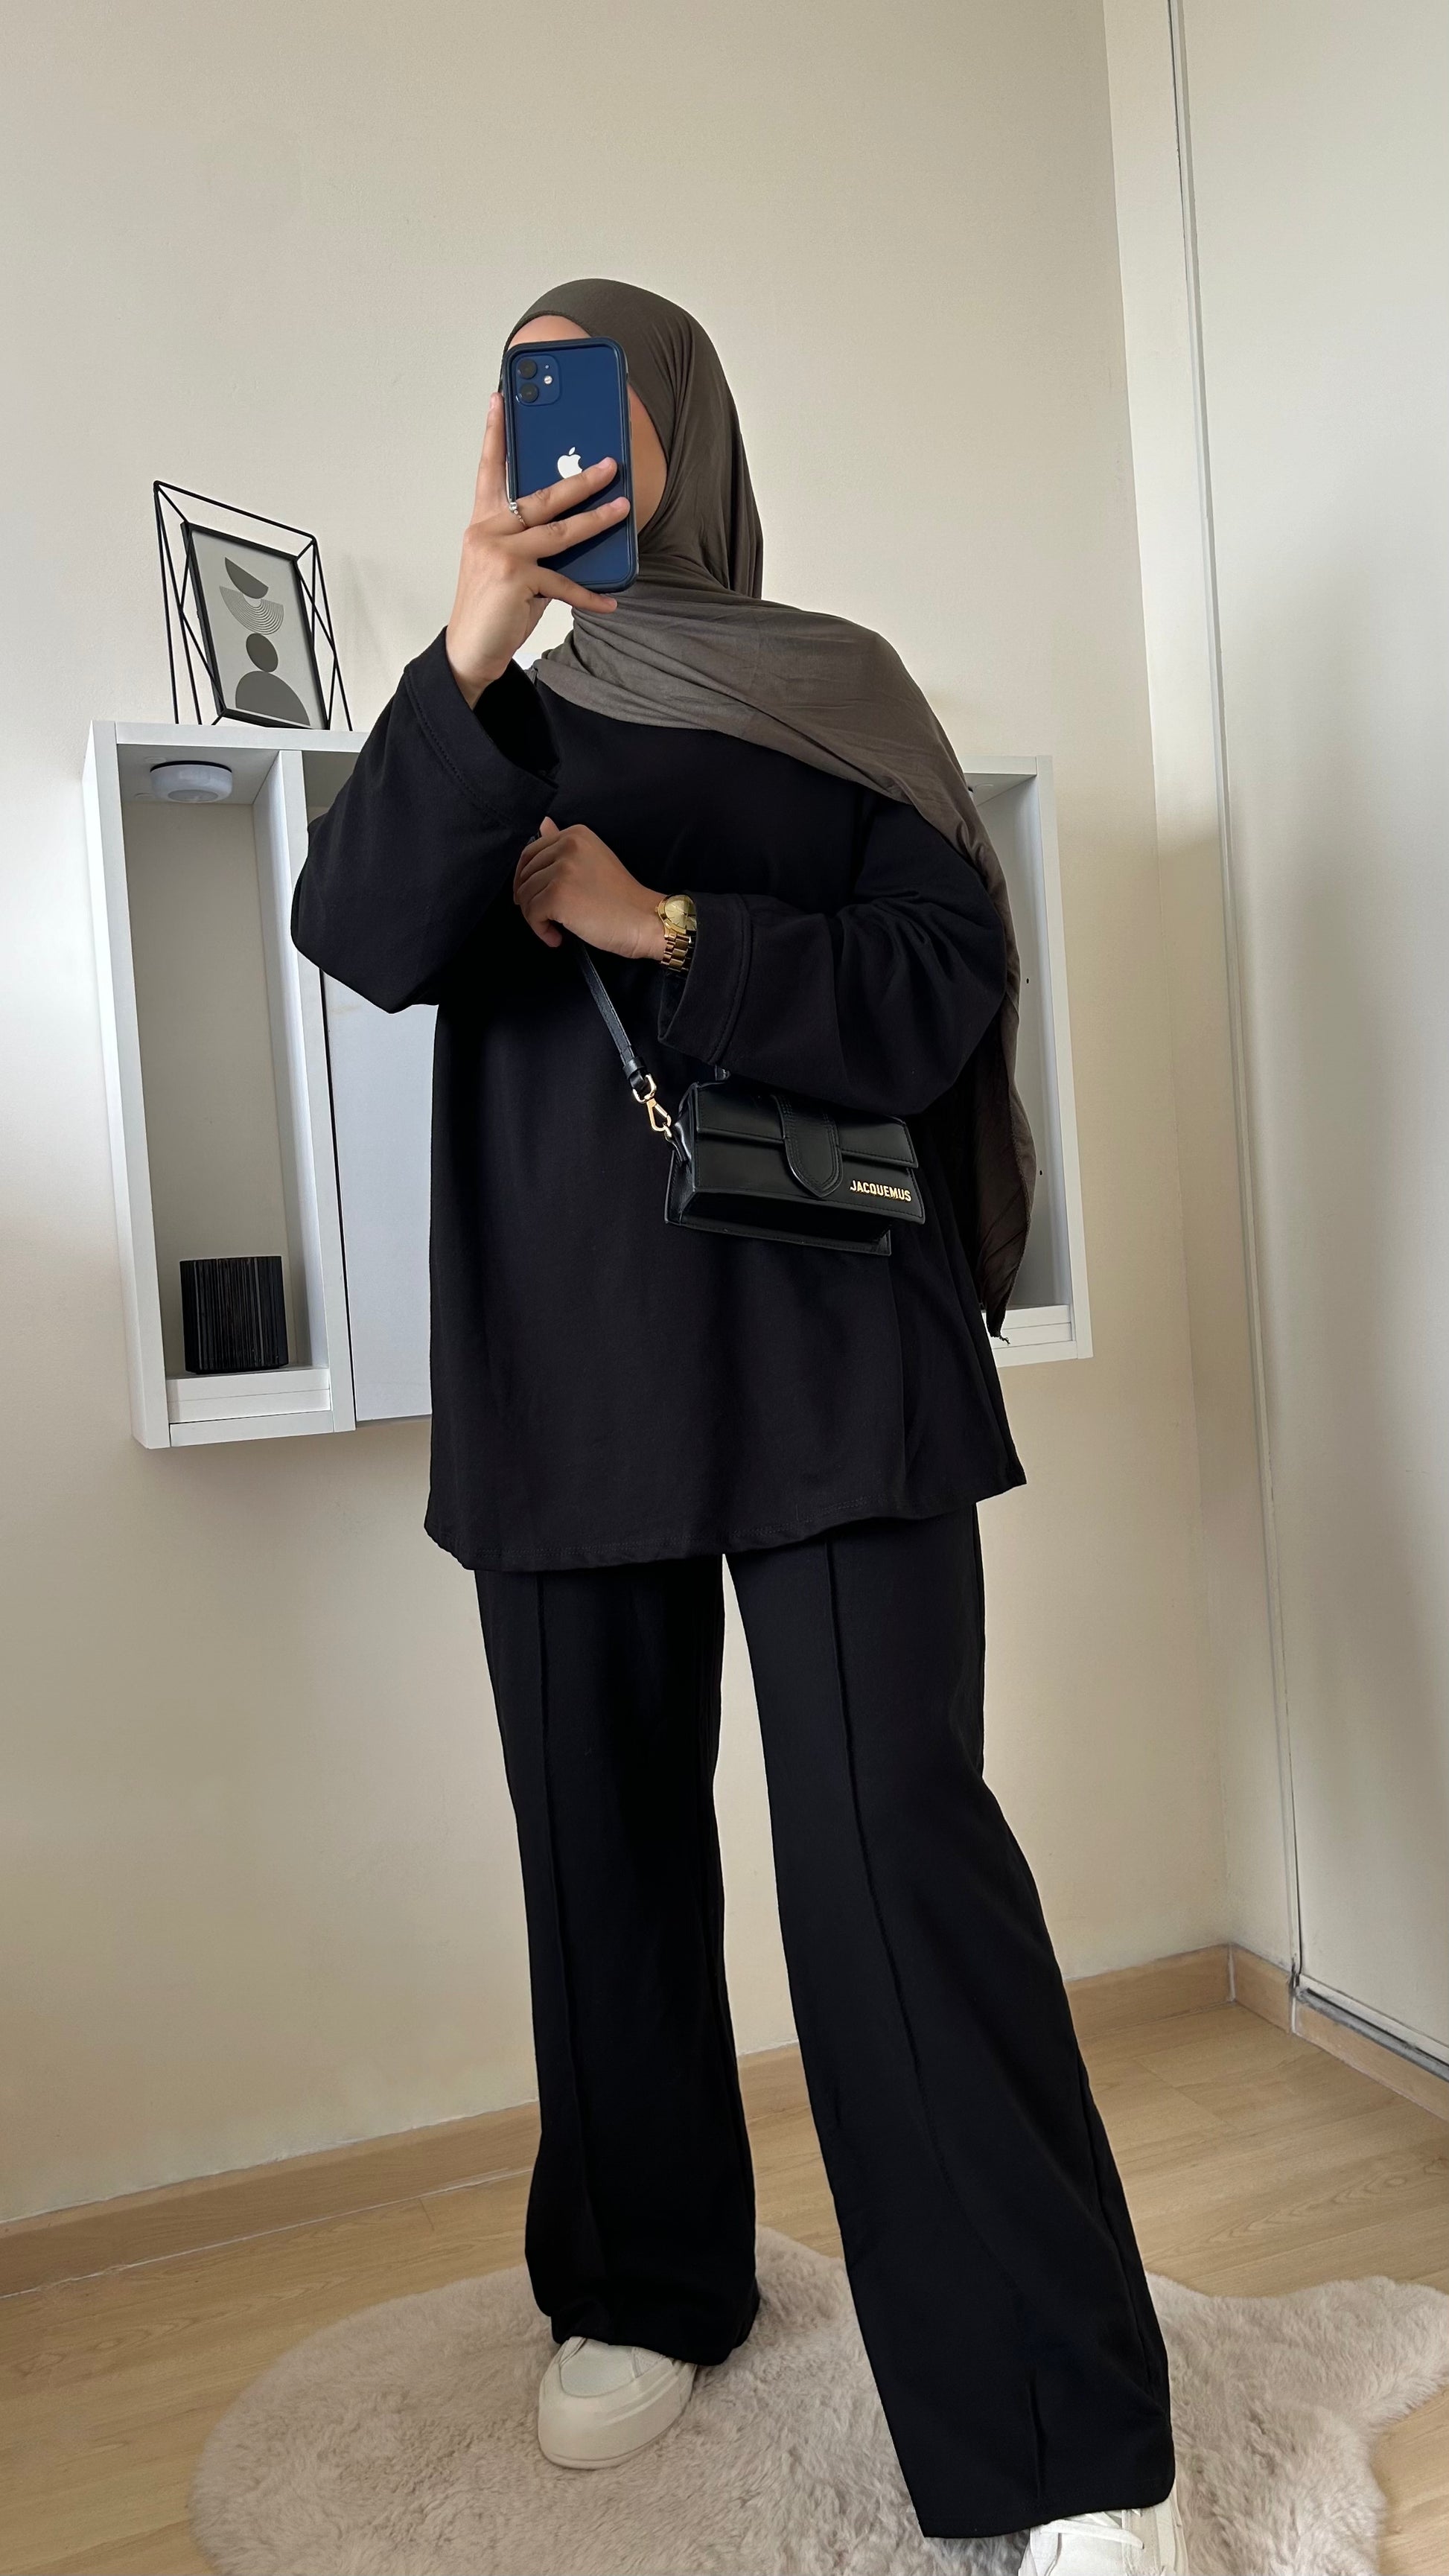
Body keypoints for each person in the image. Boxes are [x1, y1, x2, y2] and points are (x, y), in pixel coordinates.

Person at [292, 278, 1183, 2576]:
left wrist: (663, 923)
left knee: (897, 1859)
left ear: (679, 418)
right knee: (597, 1850)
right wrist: (472, 631)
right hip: (565, 1362)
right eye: (521, 386)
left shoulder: (833, 688)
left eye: (594, 382)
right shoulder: (481, 707)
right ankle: (643, 2282)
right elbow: (358, 934)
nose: (559, 423)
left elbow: (938, 987)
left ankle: (1064, 2440)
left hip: (830, 1352)